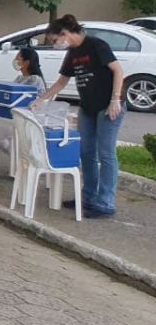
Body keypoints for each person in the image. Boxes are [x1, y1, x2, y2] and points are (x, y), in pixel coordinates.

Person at [32, 15, 125, 219]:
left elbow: (118, 71)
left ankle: (106, 202)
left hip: (108, 106)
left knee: (106, 153)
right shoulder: (73, 53)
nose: (56, 44)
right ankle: (88, 197)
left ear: (65, 33)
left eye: (55, 40)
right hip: (88, 107)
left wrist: (115, 99)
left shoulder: (96, 45)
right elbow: (62, 82)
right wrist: (41, 99)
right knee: (86, 152)